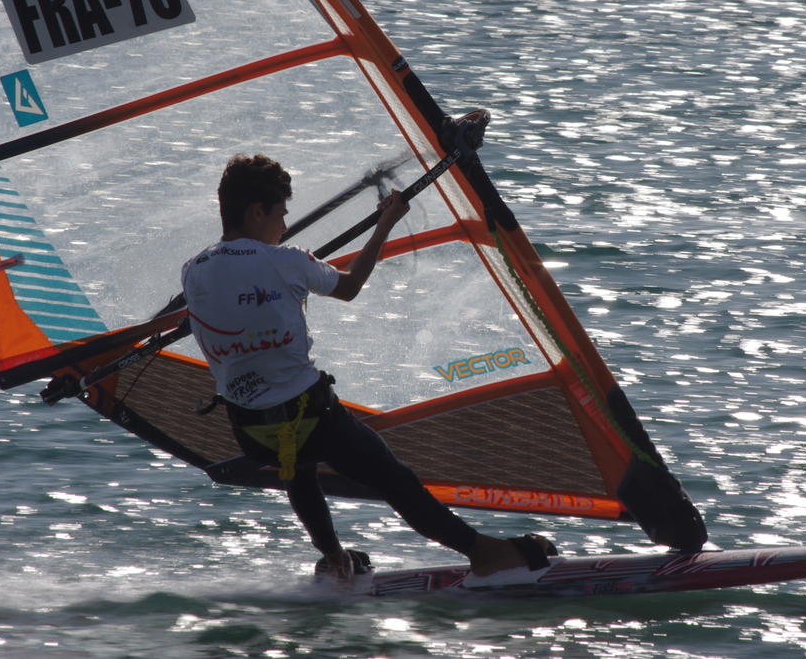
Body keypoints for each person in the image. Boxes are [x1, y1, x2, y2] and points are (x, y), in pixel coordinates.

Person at [183, 153, 555, 584]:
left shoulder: (193, 271)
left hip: (251, 431)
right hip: (313, 416)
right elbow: (349, 286)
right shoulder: (287, 261)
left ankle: (334, 556)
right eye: (281, 215)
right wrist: (386, 223)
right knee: (392, 477)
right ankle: (485, 553)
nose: (284, 227)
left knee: (296, 466)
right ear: (256, 212)